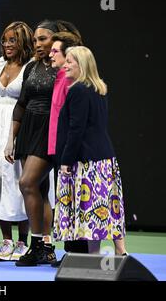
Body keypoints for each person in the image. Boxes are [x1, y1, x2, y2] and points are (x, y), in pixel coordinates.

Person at [53, 46, 127, 256]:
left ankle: (94, 257)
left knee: (90, 211)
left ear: (82, 65)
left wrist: (66, 160)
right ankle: (121, 252)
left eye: (69, 61)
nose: (65, 65)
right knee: (109, 209)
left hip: (87, 163)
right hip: (105, 160)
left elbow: (76, 129)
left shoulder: (78, 90)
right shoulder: (99, 89)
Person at [5, 20, 61, 266]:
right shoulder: (31, 68)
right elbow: (21, 104)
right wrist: (11, 139)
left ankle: (37, 243)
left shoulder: (64, 67)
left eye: (43, 39)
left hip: (50, 132)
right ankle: (45, 247)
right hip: (28, 129)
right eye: (36, 40)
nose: (37, 44)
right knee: (39, 189)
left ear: (56, 41)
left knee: (27, 182)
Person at [0, 21, 34, 261]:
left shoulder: (31, 67)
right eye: (5, 40)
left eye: (12, 40)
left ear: (23, 42)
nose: (7, 44)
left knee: (17, 181)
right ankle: (6, 241)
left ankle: (22, 242)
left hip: (19, 125)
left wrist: (16, 137)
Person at [47, 28, 90, 266]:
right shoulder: (59, 77)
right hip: (57, 147)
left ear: (68, 55)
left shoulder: (70, 81)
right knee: (65, 201)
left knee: (73, 202)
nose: (50, 55)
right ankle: (72, 251)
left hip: (67, 151)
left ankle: (78, 253)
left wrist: (67, 154)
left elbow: (74, 123)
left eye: (55, 51)